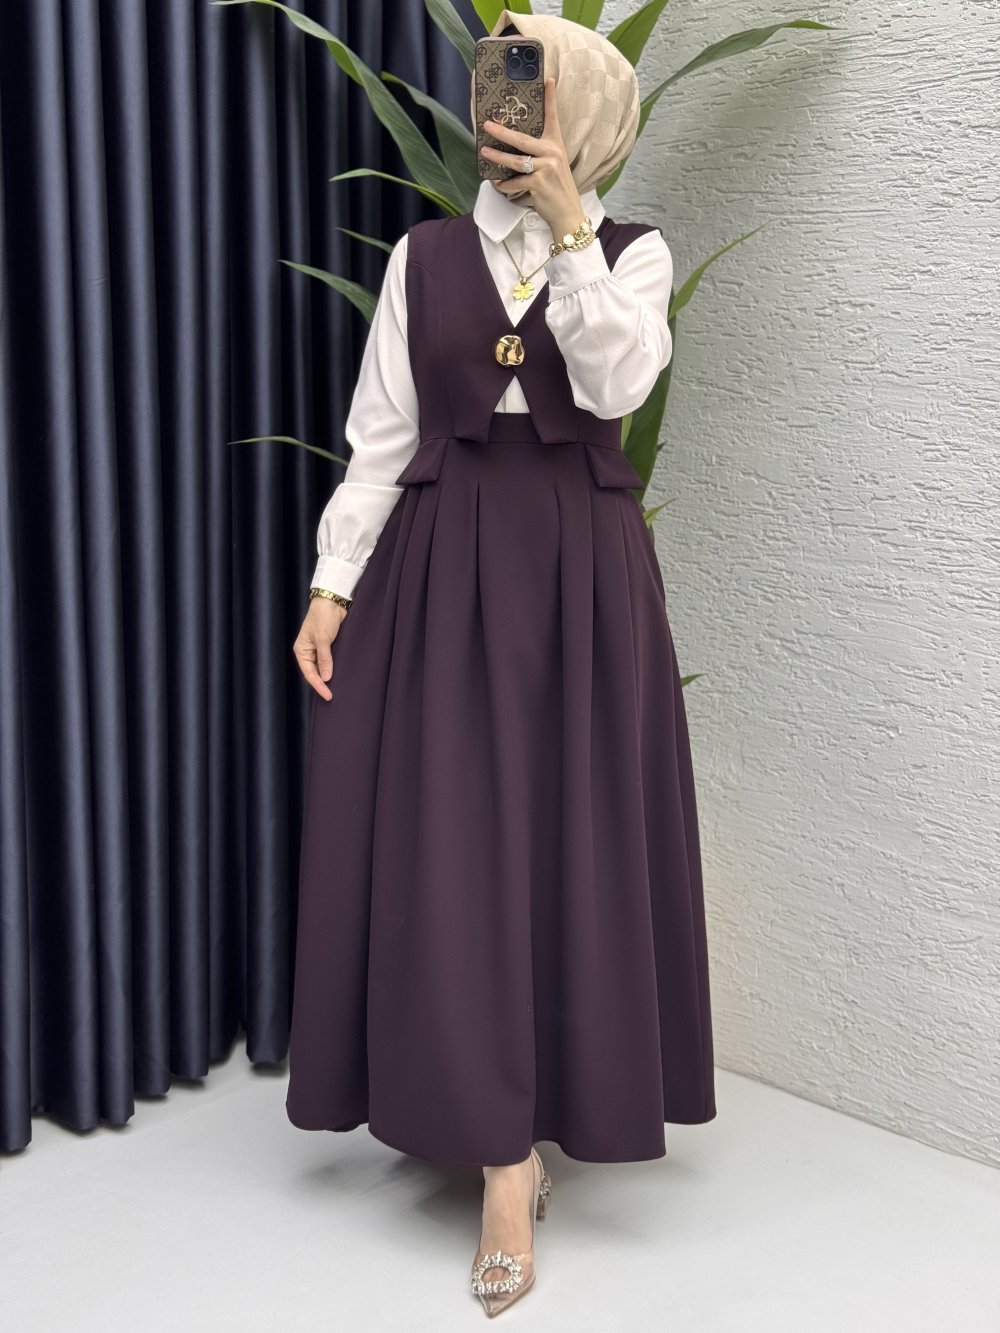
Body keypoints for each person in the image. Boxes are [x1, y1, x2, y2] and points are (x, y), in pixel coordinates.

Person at [286, 10, 716, 1318]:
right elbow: (380, 435)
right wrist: (333, 584)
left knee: (570, 839)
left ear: (588, 120)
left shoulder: (632, 255)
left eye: (537, 92)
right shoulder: (426, 257)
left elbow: (618, 383)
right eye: (497, 86)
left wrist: (573, 224)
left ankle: (535, 1134)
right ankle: (497, 1153)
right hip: (443, 565)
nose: (507, 113)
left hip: (583, 575)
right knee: (457, 844)